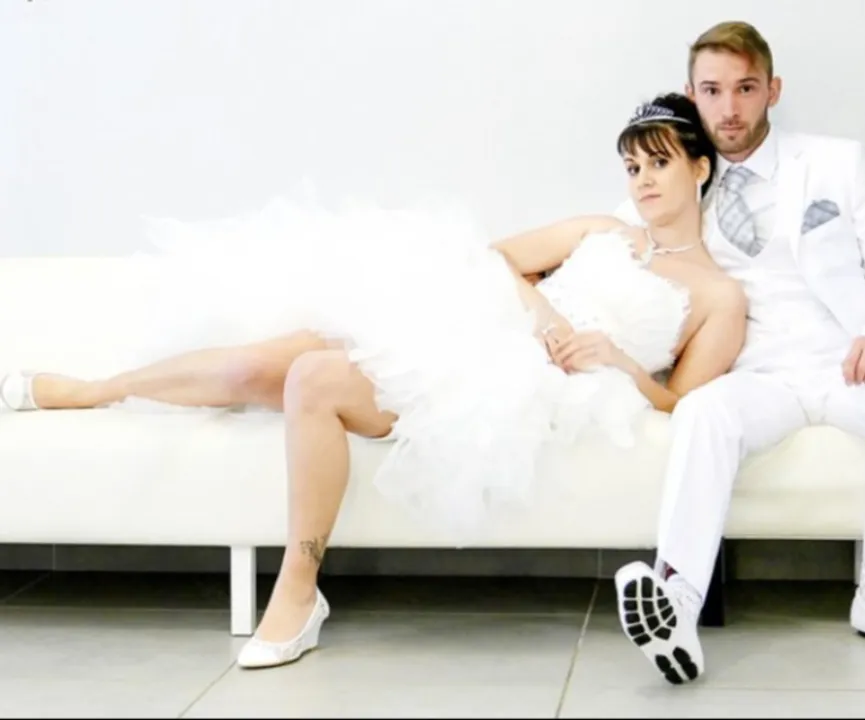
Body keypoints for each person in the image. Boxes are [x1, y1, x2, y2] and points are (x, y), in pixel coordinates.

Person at [3, 92, 747, 667]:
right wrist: (545, 312)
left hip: (529, 381)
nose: (643, 181)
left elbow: (684, 401)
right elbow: (493, 258)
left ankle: (298, 589)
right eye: (633, 167)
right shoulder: (601, 231)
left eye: (659, 163)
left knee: (310, 378)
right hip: (482, 318)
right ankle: (87, 389)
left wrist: (615, 359)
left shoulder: (721, 296)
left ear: (700, 167)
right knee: (250, 364)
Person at [611, 21, 865, 686]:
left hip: (848, 364)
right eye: (712, 91)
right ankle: (676, 603)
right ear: (692, 93)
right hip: (757, 375)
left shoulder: (837, 164)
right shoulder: (675, 173)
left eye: (745, 89)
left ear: (773, 90)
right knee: (704, 412)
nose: (729, 108)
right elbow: (617, 243)